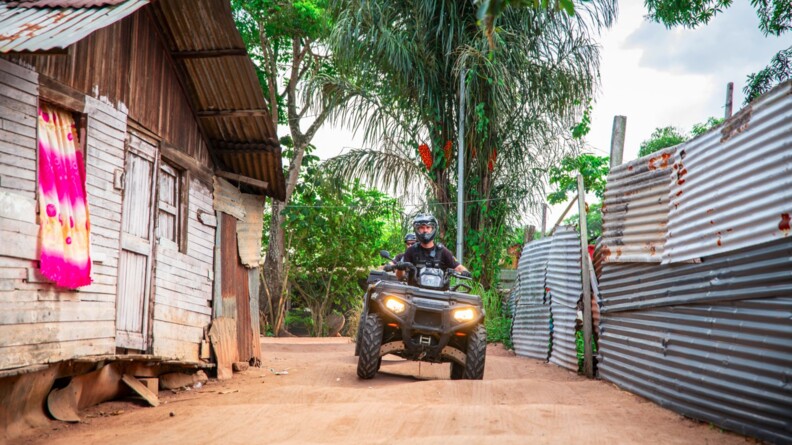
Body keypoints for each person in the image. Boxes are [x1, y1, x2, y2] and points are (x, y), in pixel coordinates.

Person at [395, 213, 470, 280]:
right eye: (422, 228)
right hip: (414, 291)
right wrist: (400, 268)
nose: (425, 230)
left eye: (428, 227)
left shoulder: (443, 251)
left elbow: (458, 267)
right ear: (417, 229)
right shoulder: (411, 250)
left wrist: (465, 272)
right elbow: (400, 277)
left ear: (433, 229)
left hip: (439, 293)